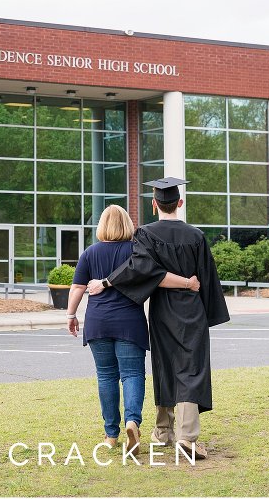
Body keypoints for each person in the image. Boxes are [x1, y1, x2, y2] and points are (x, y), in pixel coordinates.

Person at [87, 178, 229, 460]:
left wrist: (105, 282)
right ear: (180, 203)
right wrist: (202, 301)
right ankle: (186, 437)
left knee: (165, 364)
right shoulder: (197, 236)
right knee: (191, 367)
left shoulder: (145, 234)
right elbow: (208, 279)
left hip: (163, 310)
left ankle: (164, 430)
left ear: (154, 204)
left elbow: (139, 270)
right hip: (193, 310)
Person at [66, 204, 200, 457]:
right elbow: (159, 277)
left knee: (106, 376)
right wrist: (187, 283)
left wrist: (71, 315)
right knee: (132, 375)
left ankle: (110, 435)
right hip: (129, 322)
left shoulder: (90, 253)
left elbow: (77, 288)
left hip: (98, 322)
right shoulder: (136, 250)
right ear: (128, 225)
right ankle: (132, 423)